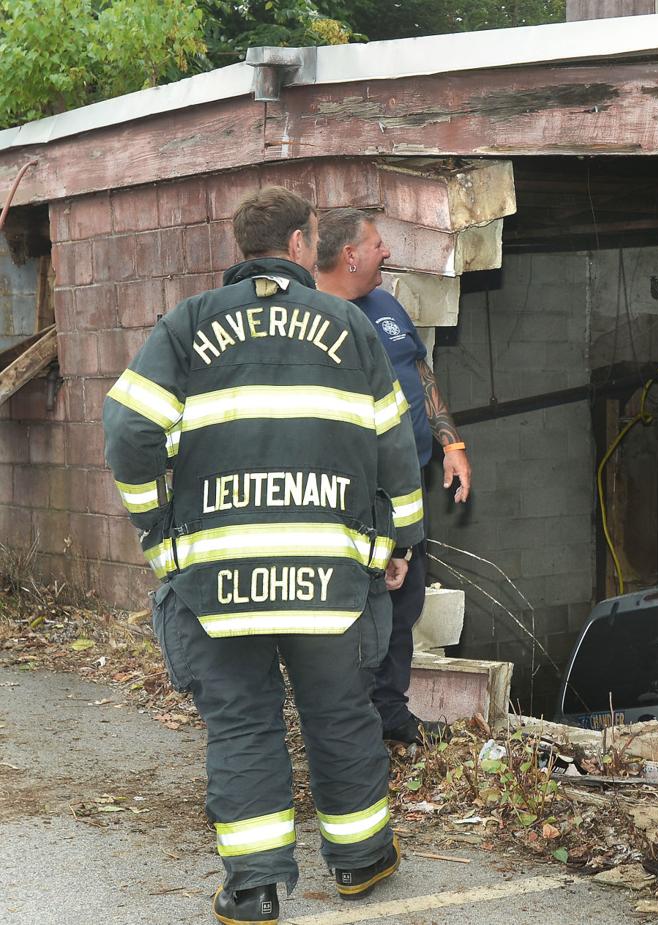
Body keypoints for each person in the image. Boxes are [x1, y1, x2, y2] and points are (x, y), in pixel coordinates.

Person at [102, 187, 425, 925]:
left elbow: (127, 432)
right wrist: (397, 541)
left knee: (243, 721)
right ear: (305, 243)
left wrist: (158, 531)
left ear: (241, 247)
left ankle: (252, 890)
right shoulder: (349, 326)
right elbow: (394, 447)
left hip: (218, 579)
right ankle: (362, 861)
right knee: (340, 713)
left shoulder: (187, 325)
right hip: (331, 575)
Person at [315, 208, 471, 744]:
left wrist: (451, 442)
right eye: (377, 244)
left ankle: (390, 713)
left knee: (406, 601)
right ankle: (353, 720)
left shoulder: (384, 304)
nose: (387, 253)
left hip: (410, 484)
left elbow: (420, 371)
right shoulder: (316, 320)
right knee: (365, 606)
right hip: (357, 493)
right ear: (349, 255)